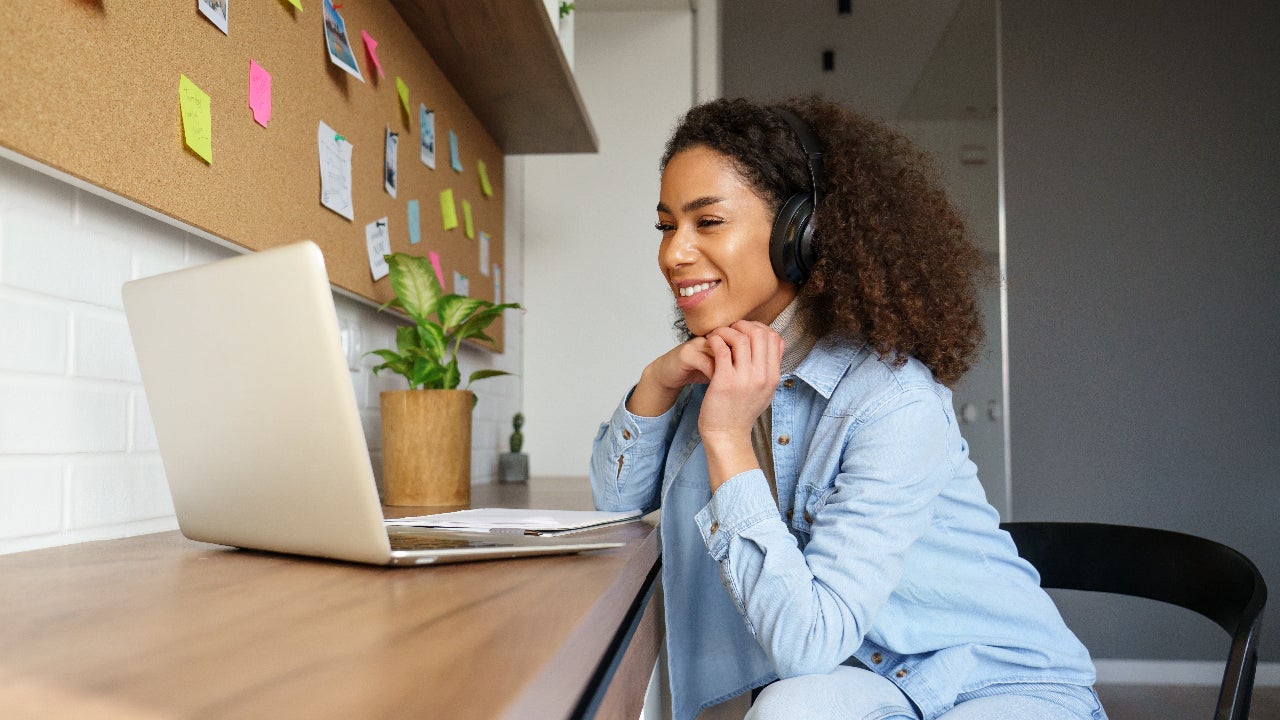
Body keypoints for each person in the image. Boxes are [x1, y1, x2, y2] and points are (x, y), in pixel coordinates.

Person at [589, 96, 1107, 720]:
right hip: (875, 679)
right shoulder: (720, 372)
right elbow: (616, 506)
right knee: (787, 709)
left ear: (799, 232)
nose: (674, 254)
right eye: (667, 225)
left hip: (996, 681)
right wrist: (656, 384)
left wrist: (725, 439)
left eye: (709, 222)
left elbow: (807, 643)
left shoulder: (893, 403)